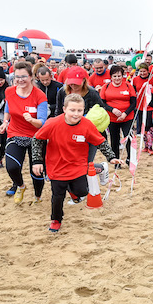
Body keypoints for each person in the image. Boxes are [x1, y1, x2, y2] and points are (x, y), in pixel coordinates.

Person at [31, 93, 120, 232]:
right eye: (72, 110)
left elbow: (100, 141)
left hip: (78, 166)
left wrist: (111, 157)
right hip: (57, 166)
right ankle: (56, 220)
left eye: (80, 110)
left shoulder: (87, 125)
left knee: (82, 191)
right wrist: (37, 161)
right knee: (58, 196)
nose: (76, 114)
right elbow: (37, 139)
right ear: (64, 109)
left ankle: (74, 192)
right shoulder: (53, 123)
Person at [0, 61, 48, 203]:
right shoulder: (9, 91)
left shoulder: (39, 96)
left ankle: (38, 196)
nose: (20, 80)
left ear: (31, 77)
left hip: (36, 137)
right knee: (12, 167)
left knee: (36, 171)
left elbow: (42, 122)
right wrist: (5, 122)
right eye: (17, 77)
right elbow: (8, 107)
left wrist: (31, 120)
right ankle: (20, 186)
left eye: (23, 76)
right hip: (15, 133)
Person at [99, 65, 137, 159]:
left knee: (129, 138)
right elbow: (102, 103)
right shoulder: (106, 87)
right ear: (111, 77)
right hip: (112, 118)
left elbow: (133, 103)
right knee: (114, 140)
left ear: (122, 76)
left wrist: (125, 114)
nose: (117, 78)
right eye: (115, 76)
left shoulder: (128, 86)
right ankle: (116, 160)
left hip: (127, 117)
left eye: (119, 76)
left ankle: (130, 159)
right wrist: (112, 109)